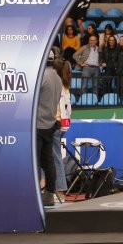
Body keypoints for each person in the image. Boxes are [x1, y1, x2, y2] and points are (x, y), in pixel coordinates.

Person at [36, 52, 63, 207]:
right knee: (48, 161)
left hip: (38, 125)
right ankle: (50, 194)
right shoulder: (57, 78)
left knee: (35, 161)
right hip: (50, 124)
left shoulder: (41, 77)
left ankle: (34, 192)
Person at [51, 58, 73, 201]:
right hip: (62, 124)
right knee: (51, 157)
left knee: (55, 158)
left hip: (54, 124)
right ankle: (55, 189)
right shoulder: (65, 86)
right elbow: (68, 110)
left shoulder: (56, 85)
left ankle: (59, 190)